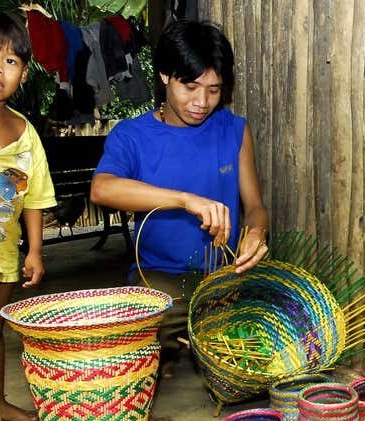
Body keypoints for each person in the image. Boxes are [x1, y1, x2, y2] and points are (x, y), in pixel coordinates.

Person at [90, 19, 269, 377]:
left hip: (224, 277)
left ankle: (198, 346)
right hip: (162, 280)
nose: (202, 102)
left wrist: (256, 234)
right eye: (190, 86)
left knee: (265, 351)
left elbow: (254, 207)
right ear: (164, 76)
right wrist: (185, 199)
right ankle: (174, 348)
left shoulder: (233, 130)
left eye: (214, 90)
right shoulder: (132, 136)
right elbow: (102, 188)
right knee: (137, 347)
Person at [0, 10, 56, 421]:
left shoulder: (26, 132)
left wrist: (34, 250)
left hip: (2, 250)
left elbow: (35, 197)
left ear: (23, 72)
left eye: (11, 61)